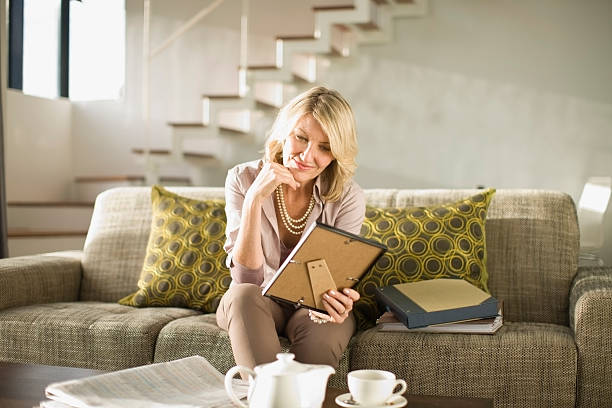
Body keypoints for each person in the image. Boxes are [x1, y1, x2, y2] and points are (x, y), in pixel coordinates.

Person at [216, 86, 365, 370]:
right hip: (255, 302)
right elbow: (246, 277)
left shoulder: (348, 197)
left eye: (324, 147)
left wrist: (338, 299)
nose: (307, 156)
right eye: (301, 137)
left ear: (336, 154)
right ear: (284, 131)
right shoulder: (242, 179)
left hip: (311, 306)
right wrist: (253, 200)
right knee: (243, 295)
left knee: (329, 324)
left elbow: (335, 279)